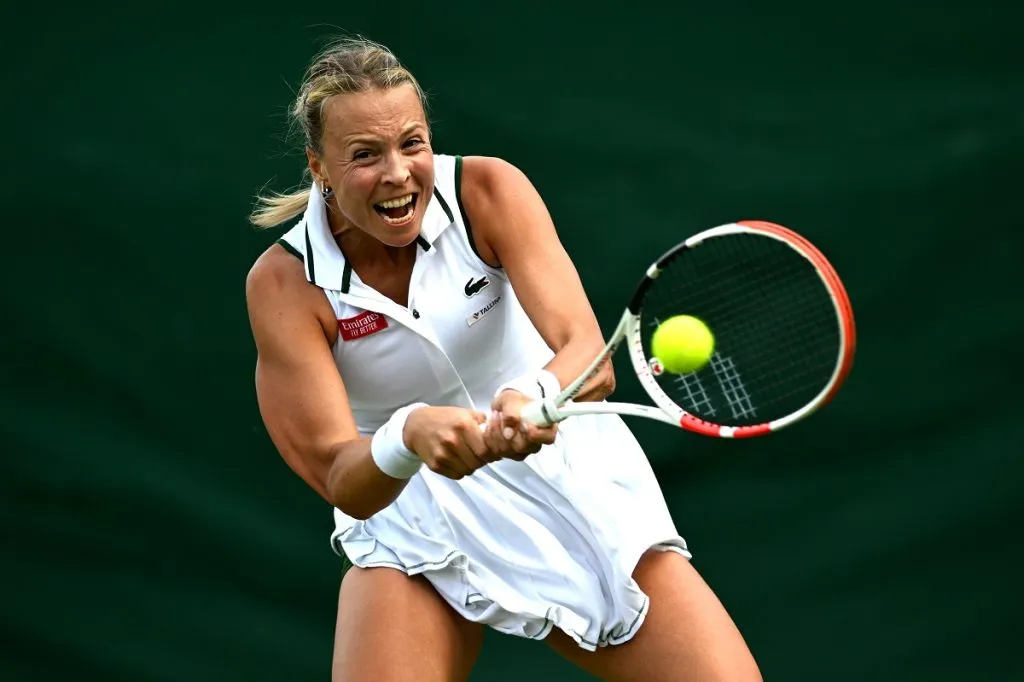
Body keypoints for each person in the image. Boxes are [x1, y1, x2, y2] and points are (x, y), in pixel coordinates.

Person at [245, 35, 762, 682]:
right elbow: (341, 476)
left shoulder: (488, 191)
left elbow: (586, 355)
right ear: (317, 166)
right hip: (412, 514)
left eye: (412, 143)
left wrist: (535, 397)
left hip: (564, 470)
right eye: (364, 156)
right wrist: (409, 435)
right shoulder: (284, 284)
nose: (398, 173)